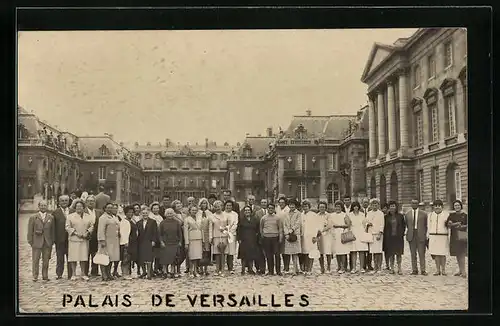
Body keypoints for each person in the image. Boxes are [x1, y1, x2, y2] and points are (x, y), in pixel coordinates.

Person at [65, 199, 94, 281]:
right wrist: (76, 233)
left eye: (81, 206)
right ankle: (73, 274)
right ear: (75, 207)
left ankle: (83, 273)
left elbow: (91, 226)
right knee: (73, 257)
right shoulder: (70, 216)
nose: (79, 208)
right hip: (74, 239)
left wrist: (87, 232)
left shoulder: (88, 216)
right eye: (77, 206)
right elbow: (67, 227)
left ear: (83, 207)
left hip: (84, 239)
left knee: (83, 257)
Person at [27, 200, 55, 282]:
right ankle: (35, 275)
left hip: (47, 242)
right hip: (36, 242)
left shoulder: (51, 217)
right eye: (41, 205)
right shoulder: (33, 217)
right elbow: (30, 231)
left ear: (47, 207)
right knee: (36, 260)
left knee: (46, 260)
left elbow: (52, 230)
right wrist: (30, 241)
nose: (43, 207)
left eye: (45, 205)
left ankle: (45, 275)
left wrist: (52, 241)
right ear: (39, 207)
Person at [97, 202, 120, 281]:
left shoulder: (114, 217)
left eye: (111, 207)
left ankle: (109, 273)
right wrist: (102, 240)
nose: (110, 209)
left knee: (111, 258)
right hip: (106, 240)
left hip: (114, 240)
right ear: (105, 208)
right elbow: (101, 230)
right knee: (104, 257)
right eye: (108, 207)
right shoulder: (103, 218)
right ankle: (104, 274)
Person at [405, 199, 428, 275]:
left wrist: (425, 235)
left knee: (421, 253)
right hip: (412, 235)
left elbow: (426, 225)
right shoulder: (407, 214)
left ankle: (423, 270)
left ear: (418, 204)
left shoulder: (424, 214)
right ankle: (414, 269)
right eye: (412, 203)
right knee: (413, 254)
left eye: (415, 203)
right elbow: (407, 225)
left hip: (420, 235)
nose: (414, 204)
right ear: (411, 204)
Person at [427, 199, 450, 276]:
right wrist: (428, 236)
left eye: (439, 206)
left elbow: (449, 226)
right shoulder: (430, 215)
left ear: (442, 207)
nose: (437, 207)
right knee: (436, 254)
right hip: (433, 236)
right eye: (436, 206)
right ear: (433, 207)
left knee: (442, 254)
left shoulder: (446, 215)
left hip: (443, 236)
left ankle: (443, 270)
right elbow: (428, 226)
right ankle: (437, 270)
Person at [260, 202, 283, 276]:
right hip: (266, 238)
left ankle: (278, 271)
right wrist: (263, 235)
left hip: (275, 238)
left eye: (272, 208)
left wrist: (280, 238)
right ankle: (271, 271)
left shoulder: (277, 218)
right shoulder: (263, 218)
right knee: (269, 255)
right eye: (269, 208)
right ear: (267, 209)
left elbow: (280, 228)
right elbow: (261, 228)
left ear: (274, 209)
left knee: (277, 255)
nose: (270, 209)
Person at [159, 208, 183, 278]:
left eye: (171, 213)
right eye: (168, 213)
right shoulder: (162, 223)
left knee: (173, 258)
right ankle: (165, 271)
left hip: (174, 242)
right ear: (166, 214)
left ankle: (172, 271)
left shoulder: (176, 222)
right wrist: (161, 242)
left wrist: (180, 241)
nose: (169, 215)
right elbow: (160, 234)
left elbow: (180, 233)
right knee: (165, 258)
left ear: (173, 214)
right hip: (166, 243)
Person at [446, 200, 468, 278]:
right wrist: (456, 224)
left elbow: (467, 224)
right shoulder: (451, 215)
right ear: (454, 207)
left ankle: (463, 271)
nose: (457, 207)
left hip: (462, 235)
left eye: (458, 205)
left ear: (461, 206)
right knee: (457, 253)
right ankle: (460, 270)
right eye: (455, 205)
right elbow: (448, 224)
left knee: (461, 253)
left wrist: (461, 226)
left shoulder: (465, 215)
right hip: (454, 235)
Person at [53, 195, 72, 280]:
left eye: (66, 200)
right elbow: (53, 227)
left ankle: (71, 274)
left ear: (68, 202)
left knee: (70, 257)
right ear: (59, 202)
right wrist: (54, 239)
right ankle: (59, 273)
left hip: (71, 239)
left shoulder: (73, 211)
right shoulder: (55, 212)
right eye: (62, 201)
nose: (64, 202)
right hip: (59, 239)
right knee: (60, 257)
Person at [383, 201, 406, 275]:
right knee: (391, 254)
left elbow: (403, 226)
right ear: (389, 208)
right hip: (390, 238)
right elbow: (385, 228)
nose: (392, 207)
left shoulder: (400, 216)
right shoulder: (386, 217)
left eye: (393, 206)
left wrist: (401, 233)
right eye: (391, 206)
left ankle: (399, 268)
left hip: (398, 238)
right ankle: (392, 268)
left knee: (398, 254)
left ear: (396, 207)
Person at [136, 205, 158, 280]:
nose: (144, 214)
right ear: (141, 214)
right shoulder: (138, 223)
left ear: (148, 213)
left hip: (149, 241)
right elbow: (137, 233)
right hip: (141, 242)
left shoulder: (153, 222)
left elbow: (155, 232)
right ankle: (144, 271)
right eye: (143, 213)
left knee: (149, 257)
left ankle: (149, 273)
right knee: (142, 257)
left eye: (146, 213)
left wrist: (154, 240)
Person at [300, 200, 322, 275]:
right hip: (303, 236)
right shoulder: (301, 215)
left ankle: (309, 269)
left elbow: (316, 226)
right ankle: (305, 268)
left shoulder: (313, 215)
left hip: (311, 236)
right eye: (304, 206)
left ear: (309, 207)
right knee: (304, 253)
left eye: (306, 206)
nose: (305, 208)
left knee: (311, 253)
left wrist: (315, 236)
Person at [237, 205, 260, 275]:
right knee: (243, 255)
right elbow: (238, 230)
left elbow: (257, 229)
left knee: (251, 254)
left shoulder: (255, 219)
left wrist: (256, 236)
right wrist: (239, 239)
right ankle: (243, 269)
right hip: (244, 239)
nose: (247, 212)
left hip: (252, 239)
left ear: (251, 211)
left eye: (248, 210)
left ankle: (250, 269)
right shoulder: (241, 220)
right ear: (244, 212)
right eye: (246, 210)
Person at [282, 199, 302, 275]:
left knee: (295, 253)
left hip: (295, 235)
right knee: (289, 252)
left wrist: (291, 230)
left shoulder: (298, 213)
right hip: (288, 235)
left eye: (293, 205)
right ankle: (295, 268)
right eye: (290, 205)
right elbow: (284, 224)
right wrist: (286, 233)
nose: (291, 206)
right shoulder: (286, 214)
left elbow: (298, 223)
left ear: (295, 205)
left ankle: (294, 270)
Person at [209, 200, 229, 276]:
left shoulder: (226, 215)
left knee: (223, 253)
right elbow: (211, 227)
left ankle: (223, 269)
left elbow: (229, 225)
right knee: (217, 253)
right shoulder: (212, 216)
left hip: (224, 236)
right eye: (216, 207)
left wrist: (225, 229)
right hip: (216, 236)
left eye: (219, 206)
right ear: (214, 208)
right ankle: (217, 269)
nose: (218, 208)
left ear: (222, 207)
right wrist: (211, 237)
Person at [348, 201, 369, 274]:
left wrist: (365, 230)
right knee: (353, 251)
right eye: (354, 206)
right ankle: (353, 268)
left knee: (361, 251)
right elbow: (348, 224)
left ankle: (361, 267)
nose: (356, 207)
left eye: (357, 206)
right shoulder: (349, 215)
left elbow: (365, 224)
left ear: (359, 207)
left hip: (361, 233)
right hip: (353, 233)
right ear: (352, 207)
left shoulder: (362, 215)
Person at [331, 200, 351, 274]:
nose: (337, 208)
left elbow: (348, 224)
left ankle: (343, 267)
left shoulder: (344, 215)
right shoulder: (332, 215)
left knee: (343, 251)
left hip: (342, 233)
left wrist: (339, 226)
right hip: (335, 234)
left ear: (341, 207)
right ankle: (339, 266)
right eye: (336, 206)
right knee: (337, 252)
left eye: (339, 206)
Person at [85, 195, 103, 276]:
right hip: (85, 236)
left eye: (92, 201)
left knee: (95, 254)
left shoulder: (99, 212)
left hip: (96, 237)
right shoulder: (83, 211)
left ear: (95, 203)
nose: (91, 202)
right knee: (85, 255)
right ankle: (85, 271)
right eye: (89, 201)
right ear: (86, 202)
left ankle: (94, 271)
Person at [183, 205, 203, 278]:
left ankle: (196, 270)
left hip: (199, 238)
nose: (194, 212)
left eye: (195, 210)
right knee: (192, 256)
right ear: (189, 211)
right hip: (191, 239)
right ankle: (191, 270)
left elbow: (202, 229)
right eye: (192, 210)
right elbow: (185, 231)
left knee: (197, 256)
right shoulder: (187, 219)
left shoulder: (199, 218)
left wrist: (203, 239)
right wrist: (186, 242)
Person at [366, 198, 385, 274]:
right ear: (371, 205)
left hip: (378, 234)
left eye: (376, 204)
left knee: (379, 251)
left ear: (378, 205)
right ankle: (375, 267)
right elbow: (365, 222)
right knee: (373, 251)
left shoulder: (380, 213)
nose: (375, 206)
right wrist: (368, 224)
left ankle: (379, 267)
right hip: (371, 234)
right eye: (373, 204)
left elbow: (382, 224)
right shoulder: (369, 213)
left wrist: (380, 233)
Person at [120, 205, 138, 280]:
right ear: (125, 213)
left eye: (132, 212)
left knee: (129, 258)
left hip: (133, 242)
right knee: (125, 258)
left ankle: (129, 273)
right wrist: (126, 242)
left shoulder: (132, 221)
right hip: (126, 242)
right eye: (129, 212)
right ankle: (124, 273)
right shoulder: (124, 221)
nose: (130, 214)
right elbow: (123, 233)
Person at [197, 198, 213, 275]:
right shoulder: (197, 213)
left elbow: (211, 225)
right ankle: (200, 268)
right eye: (202, 203)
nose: (204, 205)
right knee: (200, 251)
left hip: (207, 234)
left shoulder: (209, 213)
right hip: (199, 233)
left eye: (205, 203)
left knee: (206, 251)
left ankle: (206, 268)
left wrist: (210, 237)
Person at [317, 201, 334, 274]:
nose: (322, 208)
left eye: (323, 207)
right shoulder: (316, 215)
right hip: (319, 236)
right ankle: (322, 267)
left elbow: (330, 225)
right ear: (318, 208)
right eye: (320, 207)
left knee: (328, 251)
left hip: (327, 235)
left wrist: (322, 230)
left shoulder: (328, 215)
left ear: (325, 208)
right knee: (320, 252)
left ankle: (328, 267)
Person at [253, 198, 268, 274]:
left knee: (268, 252)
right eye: (262, 202)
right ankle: (260, 268)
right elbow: (255, 224)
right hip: (260, 235)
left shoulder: (271, 211)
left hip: (269, 235)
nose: (264, 204)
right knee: (259, 253)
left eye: (265, 202)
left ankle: (269, 268)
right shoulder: (257, 213)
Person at [223, 200, 239, 274]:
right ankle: (222, 266)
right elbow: (221, 225)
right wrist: (225, 232)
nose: (228, 207)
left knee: (231, 251)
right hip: (223, 234)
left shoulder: (235, 214)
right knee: (223, 250)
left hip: (232, 234)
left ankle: (230, 267)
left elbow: (235, 224)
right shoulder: (222, 214)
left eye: (230, 205)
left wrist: (230, 232)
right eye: (227, 205)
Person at [172, 200, 186, 277]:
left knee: (182, 253)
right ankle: (175, 268)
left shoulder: (184, 214)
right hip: (176, 235)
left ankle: (179, 266)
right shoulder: (173, 215)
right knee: (176, 252)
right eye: (177, 205)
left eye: (180, 204)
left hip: (183, 234)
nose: (179, 206)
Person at [149, 202, 164, 277]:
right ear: (152, 209)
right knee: (152, 254)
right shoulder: (150, 216)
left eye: (157, 208)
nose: (156, 210)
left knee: (158, 254)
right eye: (154, 208)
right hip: (152, 236)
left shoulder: (160, 217)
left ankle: (157, 268)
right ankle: (150, 269)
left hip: (159, 236)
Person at [276, 197, 290, 273]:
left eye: (282, 202)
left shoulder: (287, 210)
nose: (281, 204)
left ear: (285, 203)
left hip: (286, 231)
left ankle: (286, 267)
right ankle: (284, 267)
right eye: (280, 202)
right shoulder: (277, 209)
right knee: (281, 250)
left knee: (286, 251)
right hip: (279, 231)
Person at [361, 198, 373, 271]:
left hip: (370, 232)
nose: (365, 204)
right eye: (364, 202)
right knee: (363, 249)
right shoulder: (360, 211)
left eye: (366, 202)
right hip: (362, 232)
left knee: (369, 250)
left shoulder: (371, 211)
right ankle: (363, 264)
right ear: (362, 203)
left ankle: (369, 264)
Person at [342, 195, 353, 271]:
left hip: (352, 229)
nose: (347, 201)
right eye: (345, 200)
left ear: (350, 200)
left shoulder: (353, 208)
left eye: (348, 200)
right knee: (344, 249)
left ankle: (352, 265)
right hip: (343, 229)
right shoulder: (342, 208)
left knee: (352, 249)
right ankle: (344, 265)